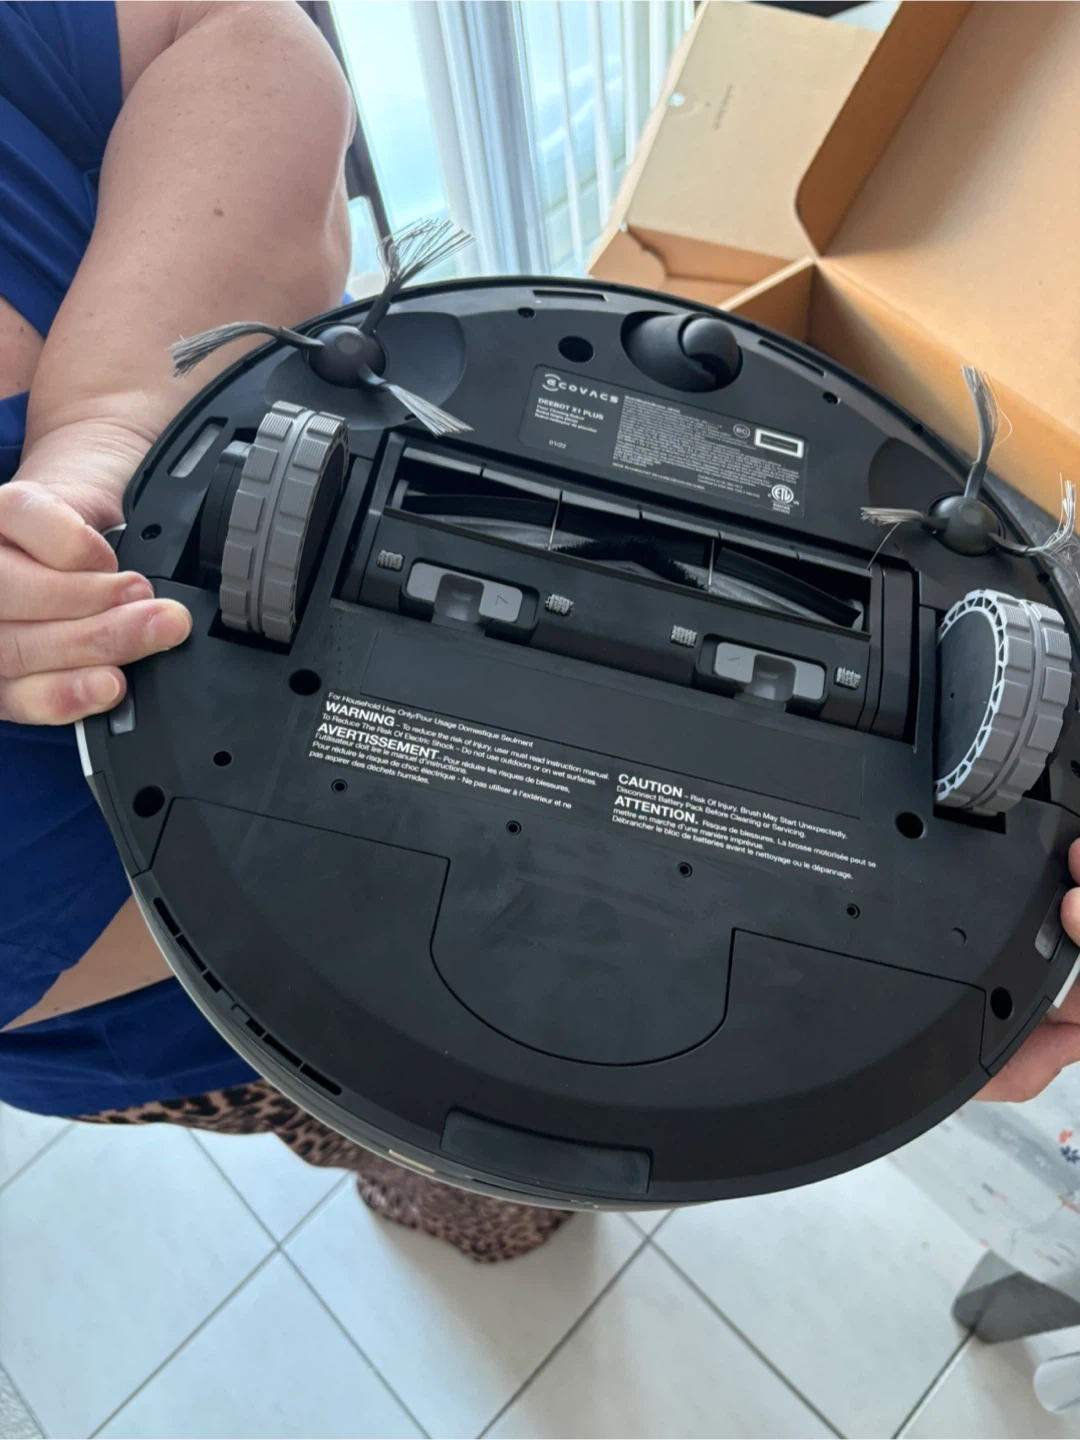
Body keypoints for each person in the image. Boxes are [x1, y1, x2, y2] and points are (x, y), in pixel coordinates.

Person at [0, 0, 1076, 1264]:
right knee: (409, 1143)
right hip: (201, 1004)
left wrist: (106, 434)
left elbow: (224, 27)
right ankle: (463, 1206)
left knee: (525, 1130)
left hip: (341, 527)